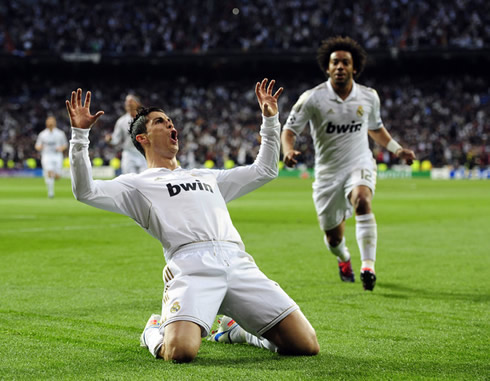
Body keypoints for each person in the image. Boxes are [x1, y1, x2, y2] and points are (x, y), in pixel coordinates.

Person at [66, 80, 319, 363]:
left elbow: (265, 170)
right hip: (191, 266)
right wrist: (79, 135)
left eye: (170, 121)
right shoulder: (136, 184)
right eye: (160, 122)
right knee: (180, 352)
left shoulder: (206, 176)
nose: (170, 125)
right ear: (143, 138)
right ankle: (153, 330)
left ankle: (237, 332)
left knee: (305, 345)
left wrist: (270, 121)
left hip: (238, 261)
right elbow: (85, 191)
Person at [281, 36, 415, 291]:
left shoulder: (368, 96)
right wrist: (288, 151)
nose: (340, 67)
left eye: (345, 62)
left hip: (359, 161)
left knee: (363, 200)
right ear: (327, 68)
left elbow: (375, 129)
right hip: (328, 173)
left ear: (355, 67)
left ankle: (368, 266)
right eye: (335, 63)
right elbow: (289, 130)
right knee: (334, 239)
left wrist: (398, 150)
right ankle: (345, 259)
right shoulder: (312, 98)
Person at [105, 94, 147, 174]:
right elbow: (116, 139)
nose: (128, 103)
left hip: (144, 154)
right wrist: (110, 139)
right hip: (129, 154)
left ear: (137, 103)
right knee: (129, 180)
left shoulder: (146, 119)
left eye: (131, 101)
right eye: (127, 102)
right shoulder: (121, 121)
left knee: (145, 181)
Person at [35, 116, 68, 198]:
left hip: (57, 156)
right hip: (46, 156)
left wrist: (61, 148)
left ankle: (54, 176)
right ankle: (51, 193)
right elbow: (37, 146)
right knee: (49, 172)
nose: (50, 123)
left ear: (55, 123)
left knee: (57, 176)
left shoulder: (60, 133)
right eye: (49, 122)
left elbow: (65, 145)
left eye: (52, 122)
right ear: (46, 123)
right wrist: (40, 147)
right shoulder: (42, 134)